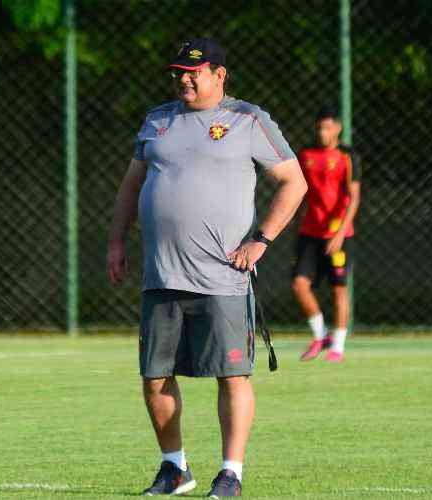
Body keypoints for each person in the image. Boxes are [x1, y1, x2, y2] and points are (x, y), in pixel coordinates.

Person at [106, 38, 307, 497]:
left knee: (231, 374)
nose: (184, 78)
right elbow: (130, 186)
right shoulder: (158, 119)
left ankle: (231, 472)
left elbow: (294, 182)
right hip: (162, 273)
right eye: (178, 71)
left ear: (220, 75)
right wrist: (116, 239)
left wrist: (261, 241)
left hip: (223, 276)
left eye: (194, 71)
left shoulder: (247, 119)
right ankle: (174, 468)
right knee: (154, 375)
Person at [293, 107, 362, 363]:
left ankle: (338, 348)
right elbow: (299, 189)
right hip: (309, 233)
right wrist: (296, 218)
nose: (322, 132)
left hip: (339, 235)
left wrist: (340, 233)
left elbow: (354, 197)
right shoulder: (306, 154)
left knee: (338, 290)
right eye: (319, 127)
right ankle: (321, 335)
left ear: (337, 128)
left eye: (327, 128)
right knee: (299, 285)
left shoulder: (348, 156)